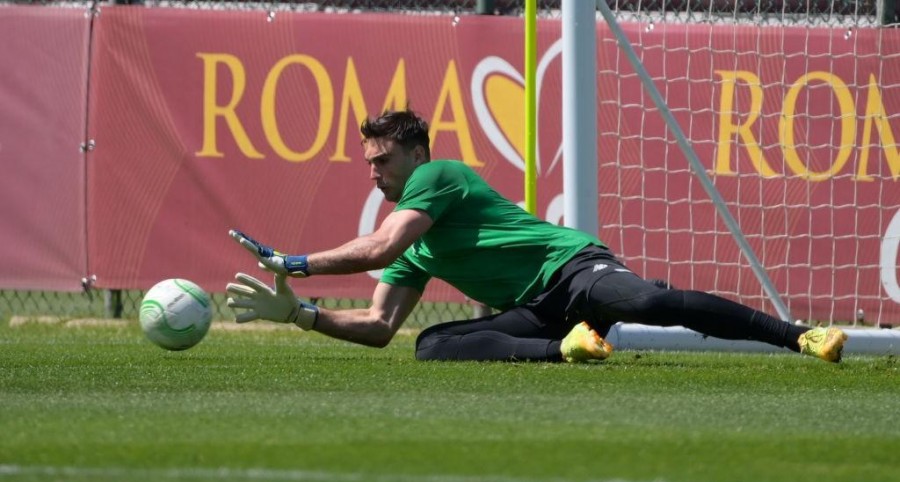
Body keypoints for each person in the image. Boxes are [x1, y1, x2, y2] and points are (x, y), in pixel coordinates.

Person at [226, 109, 847, 363]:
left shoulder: (438, 177)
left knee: (651, 304)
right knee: (431, 346)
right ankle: (568, 350)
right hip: (540, 312)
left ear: (417, 155)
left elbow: (380, 247)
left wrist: (292, 261)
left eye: (383, 160)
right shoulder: (414, 235)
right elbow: (380, 328)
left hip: (572, 269)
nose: (373, 171)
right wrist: (300, 316)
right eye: (368, 162)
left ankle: (800, 336)